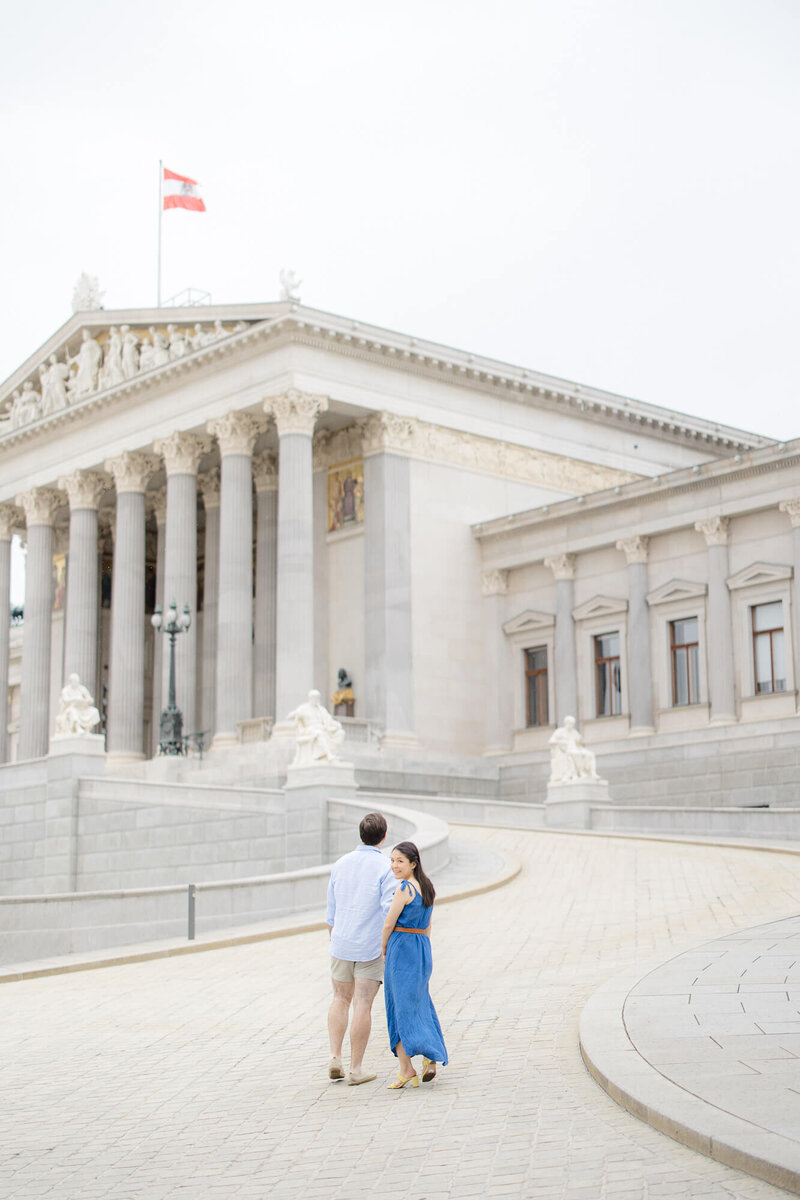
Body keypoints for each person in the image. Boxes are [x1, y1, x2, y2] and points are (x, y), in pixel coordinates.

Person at [325, 812, 396, 1086]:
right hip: (370, 946)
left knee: (339, 999)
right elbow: (389, 909)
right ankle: (355, 1069)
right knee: (362, 1005)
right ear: (384, 836)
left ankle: (334, 1056)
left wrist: (336, 938)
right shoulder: (385, 867)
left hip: (341, 943)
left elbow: (330, 912)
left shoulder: (341, 863)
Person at [381, 841, 448, 1089]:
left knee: (398, 1007)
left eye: (400, 861)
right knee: (420, 1003)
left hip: (402, 948)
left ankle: (406, 1068)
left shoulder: (405, 888)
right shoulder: (428, 887)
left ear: (413, 863)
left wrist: (384, 947)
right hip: (421, 947)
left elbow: (388, 924)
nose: (395, 865)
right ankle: (428, 1056)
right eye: (392, 860)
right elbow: (428, 925)